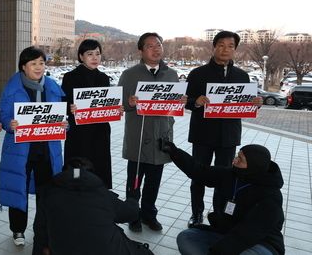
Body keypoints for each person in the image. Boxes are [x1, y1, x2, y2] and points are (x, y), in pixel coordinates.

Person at [185, 31, 263, 227]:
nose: (225, 49)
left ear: (235, 50)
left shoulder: (242, 76)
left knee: (226, 178)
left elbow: (245, 103)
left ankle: (219, 214)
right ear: (214, 47)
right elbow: (185, 101)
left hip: (228, 136)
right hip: (202, 135)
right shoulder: (197, 73)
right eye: (221, 45)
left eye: (230, 46)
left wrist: (256, 103)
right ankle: (196, 213)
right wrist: (196, 101)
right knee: (198, 176)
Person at [161, 141, 285, 255]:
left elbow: (249, 233)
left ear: (253, 166)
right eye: (237, 156)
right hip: (227, 234)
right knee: (186, 238)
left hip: (261, 243)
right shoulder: (231, 175)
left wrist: (219, 251)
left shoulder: (271, 195)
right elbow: (199, 171)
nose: (234, 160)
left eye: (240, 159)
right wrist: (174, 152)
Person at [0, 46, 66, 247]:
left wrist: (65, 124)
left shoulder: (52, 86)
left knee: (47, 192)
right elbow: (3, 115)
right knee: (19, 188)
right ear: (23, 66)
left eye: (42, 63)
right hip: (21, 151)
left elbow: (61, 116)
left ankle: (43, 229)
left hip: (47, 150)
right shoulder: (12, 88)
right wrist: (10, 124)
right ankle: (18, 229)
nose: (38, 67)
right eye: (33, 63)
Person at [117, 32, 184, 232]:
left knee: (154, 181)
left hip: (161, 135)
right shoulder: (129, 75)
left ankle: (148, 214)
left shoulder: (171, 74)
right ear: (141, 50)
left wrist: (181, 101)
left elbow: (173, 104)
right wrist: (128, 103)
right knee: (134, 182)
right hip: (138, 136)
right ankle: (133, 216)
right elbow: (117, 105)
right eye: (150, 46)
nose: (156, 49)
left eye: (159, 45)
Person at [32, 157, 144, 255]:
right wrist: (133, 198)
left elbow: (39, 231)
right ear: (91, 174)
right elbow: (131, 213)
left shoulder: (49, 195)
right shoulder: (103, 194)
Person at [62, 39, 116, 189]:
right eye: (90, 54)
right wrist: (69, 108)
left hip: (100, 133)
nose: (94, 58)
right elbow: (63, 103)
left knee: (99, 171)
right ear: (81, 56)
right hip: (78, 134)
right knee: (77, 171)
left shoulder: (104, 78)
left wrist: (115, 109)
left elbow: (107, 103)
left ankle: (98, 199)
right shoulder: (70, 77)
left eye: (98, 54)